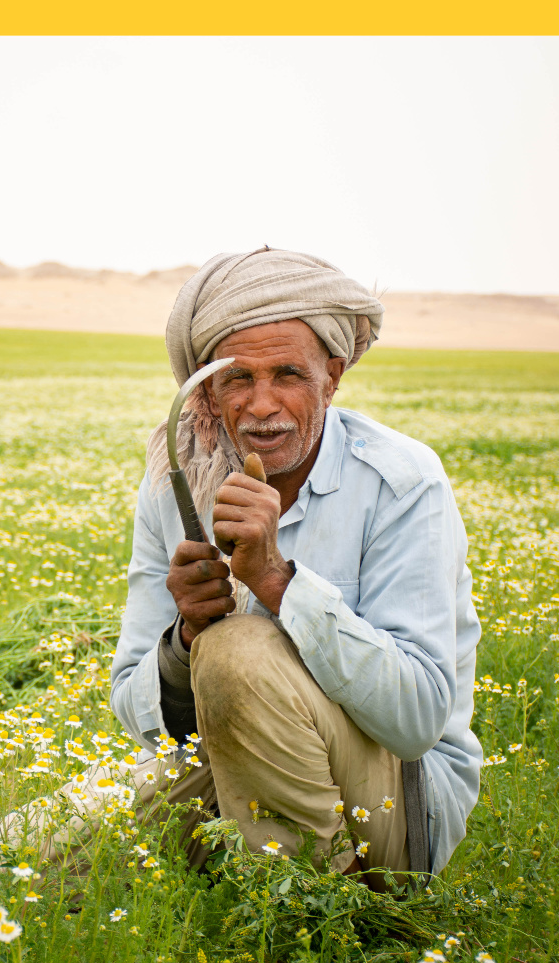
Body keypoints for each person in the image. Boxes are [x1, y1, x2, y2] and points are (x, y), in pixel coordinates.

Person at [110, 248, 483, 879]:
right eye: (236, 379)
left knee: (240, 651)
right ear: (205, 386)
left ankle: (319, 923)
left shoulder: (400, 482)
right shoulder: (176, 486)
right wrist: (185, 641)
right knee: (26, 860)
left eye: (288, 375)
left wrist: (275, 583)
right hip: (225, 763)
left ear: (332, 377)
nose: (261, 406)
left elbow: (418, 721)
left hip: (392, 801)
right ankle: (265, 885)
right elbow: (135, 709)